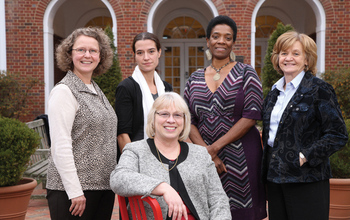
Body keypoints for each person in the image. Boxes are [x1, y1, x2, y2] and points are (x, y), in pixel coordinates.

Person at [184, 15, 267, 219]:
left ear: (233, 42)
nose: (221, 41)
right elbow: (187, 119)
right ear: (207, 40)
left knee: (243, 211)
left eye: (227, 37)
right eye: (216, 36)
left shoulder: (247, 73)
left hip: (242, 156)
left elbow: (251, 116)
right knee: (207, 208)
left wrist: (215, 148)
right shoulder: (194, 78)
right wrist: (207, 153)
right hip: (204, 157)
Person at [261, 31, 348, 220]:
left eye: (295, 53)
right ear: (276, 58)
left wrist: (305, 156)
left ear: (307, 59)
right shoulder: (273, 93)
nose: (288, 58)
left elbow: (338, 134)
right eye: (283, 53)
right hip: (275, 178)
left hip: (306, 179)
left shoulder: (319, 89)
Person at [110, 92, 231, 220]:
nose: (171, 120)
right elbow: (118, 178)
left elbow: (218, 199)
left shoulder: (201, 154)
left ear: (184, 121)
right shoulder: (136, 150)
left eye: (177, 115)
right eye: (164, 114)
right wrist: (162, 187)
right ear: (153, 119)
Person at [46, 27, 118, 220]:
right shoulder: (64, 91)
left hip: (102, 187)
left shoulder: (94, 88)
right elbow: (60, 146)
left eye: (93, 51)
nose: (87, 55)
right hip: (73, 193)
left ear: (100, 56)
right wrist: (74, 191)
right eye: (81, 50)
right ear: (70, 54)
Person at [115, 32, 172, 160]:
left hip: (165, 155)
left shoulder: (166, 88)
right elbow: (122, 135)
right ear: (135, 56)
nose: (146, 57)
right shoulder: (126, 88)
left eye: (151, 51)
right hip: (138, 158)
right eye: (140, 53)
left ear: (159, 53)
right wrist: (133, 163)